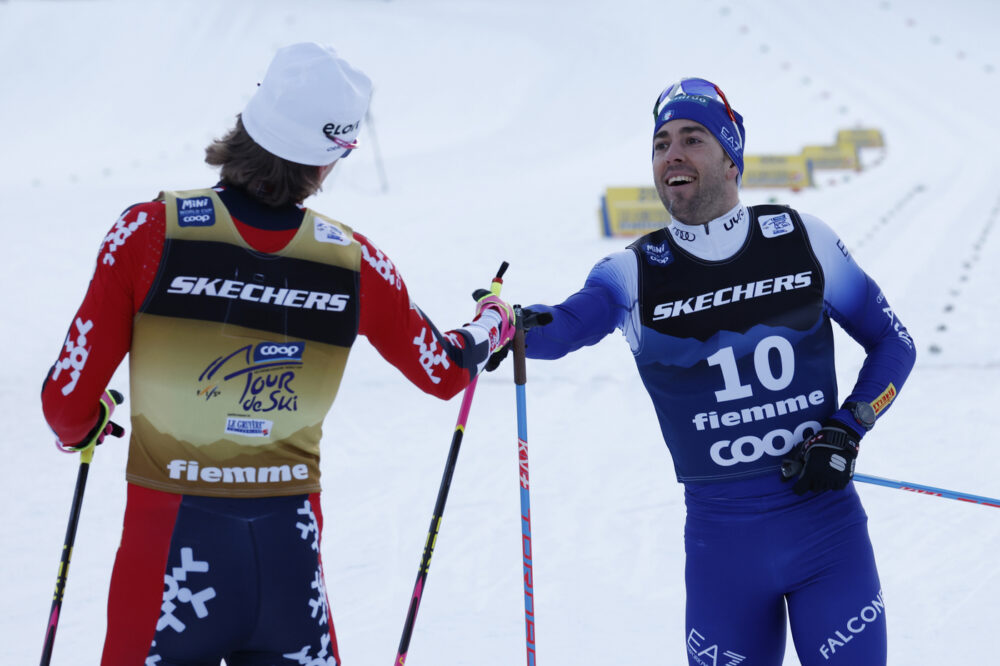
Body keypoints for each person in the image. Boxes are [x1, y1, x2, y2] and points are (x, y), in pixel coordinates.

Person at [40, 42, 514, 666]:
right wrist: (490, 324)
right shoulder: (353, 259)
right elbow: (444, 371)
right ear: (326, 164)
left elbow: (65, 403)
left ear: (246, 126)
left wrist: (89, 421)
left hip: (168, 569)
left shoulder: (149, 230)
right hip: (289, 570)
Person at [520, 78, 915, 665]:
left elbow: (893, 342)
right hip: (721, 550)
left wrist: (850, 426)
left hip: (827, 535)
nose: (671, 154)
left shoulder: (803, 239)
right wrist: (504, 323)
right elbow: (559, 328)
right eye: (660, 144)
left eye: (692, 138)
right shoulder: (630, 273)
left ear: (732, 158)